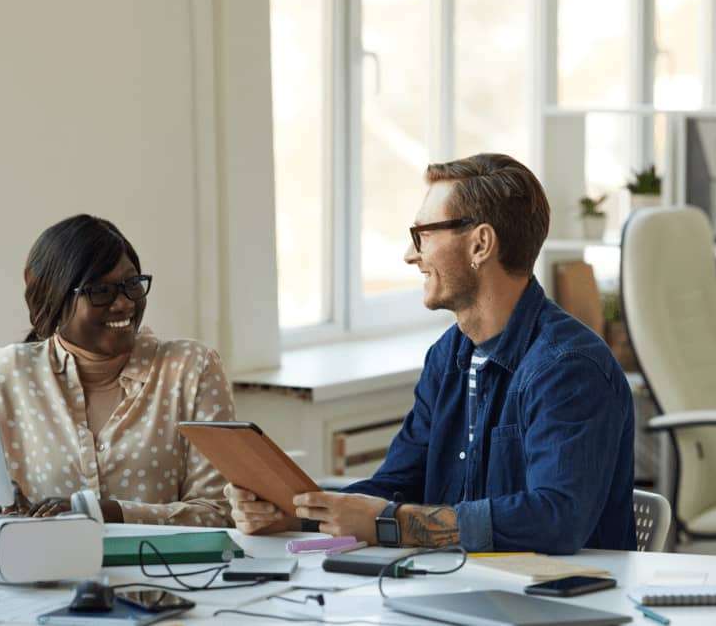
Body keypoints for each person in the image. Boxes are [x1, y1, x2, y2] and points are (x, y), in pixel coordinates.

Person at [227, 153, 635, 554]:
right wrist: (294, 515)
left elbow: (556, 519)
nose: (410, 254)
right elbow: (396, 484)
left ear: (480, 244)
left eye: (423, 234)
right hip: (461, 587)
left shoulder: (567, 367)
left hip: (557, 605)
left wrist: (392, 523)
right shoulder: (448, 356)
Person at [0, 215, 235, 525]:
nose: (123, 304)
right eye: (100, 291)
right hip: (45, 570)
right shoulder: (8, 374)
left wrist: (107, 513)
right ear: (51, 294)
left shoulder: (191, 369)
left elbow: (219, 513)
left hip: (170, 574)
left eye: (131, 284)